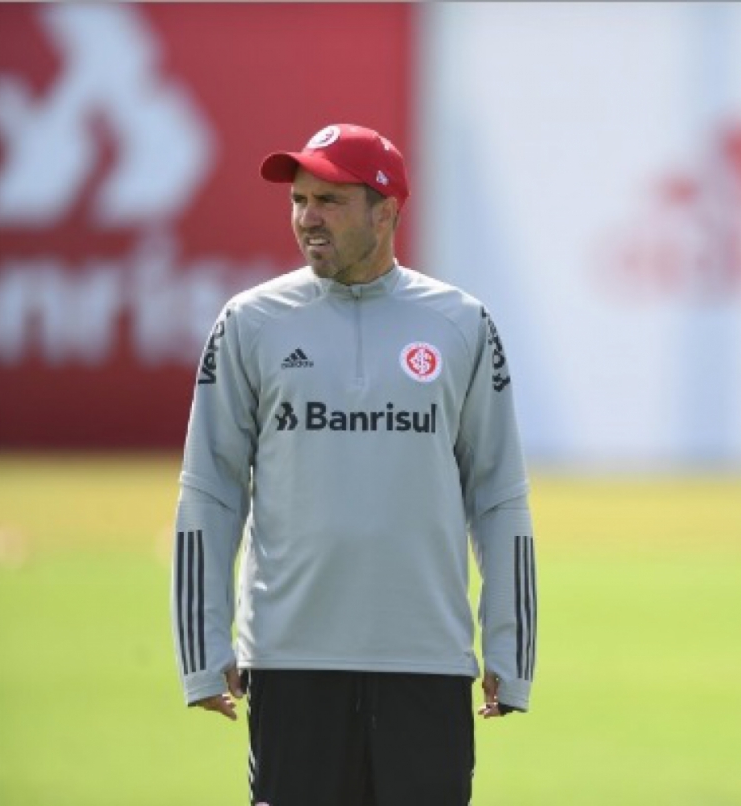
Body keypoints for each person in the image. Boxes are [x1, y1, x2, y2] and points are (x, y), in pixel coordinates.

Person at [171, 123, 537, 806]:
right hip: (291, 666)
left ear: (387, 211)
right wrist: (202, 646)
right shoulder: (250, 322)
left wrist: (510, 653)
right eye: (299, 200)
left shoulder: (462, 324)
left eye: (330, 201)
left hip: (425, 664)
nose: (308, 218)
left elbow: (499, 496)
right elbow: (209, 492)